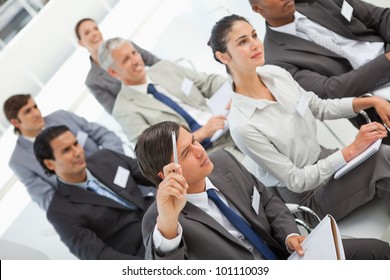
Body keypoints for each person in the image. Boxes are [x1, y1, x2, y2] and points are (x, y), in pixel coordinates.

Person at [208, 14, 390, 223]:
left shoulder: (275, 73)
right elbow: (296, 180)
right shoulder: (242, 126)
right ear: (223, 57)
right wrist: (351, 150)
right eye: (242, 42)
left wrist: (371, 102)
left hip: (324, 160)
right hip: (309, 196)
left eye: (254, 35)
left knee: (381, 157)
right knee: (382, 158)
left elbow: (318, 107)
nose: (255, 45)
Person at [135, 121, 390, 260]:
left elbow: (268, 201)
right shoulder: (161, 222)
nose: (200, 150)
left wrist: (289, 235)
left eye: (194, 141)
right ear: (167, 173)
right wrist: (168, 222)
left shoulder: (223, 161)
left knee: (376, 252)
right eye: (186, 153)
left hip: (290, 256)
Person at [248, 0, 390, 143]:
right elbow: (329, 92)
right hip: (374, 98)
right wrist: (386, 62)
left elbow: (381, 17)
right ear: (258, 8)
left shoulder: (319, 2)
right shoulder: (276, 61)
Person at [98, 37, 242, 160]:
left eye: (134, 53)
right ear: (113, 72)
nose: (135, 60)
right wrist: (203, 133)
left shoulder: (165, 68)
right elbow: (155, 152)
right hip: (207, 153)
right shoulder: (124, 109)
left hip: (231, 125)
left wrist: (234, 91)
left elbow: (209, 82)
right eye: (126, 60)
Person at [33, 125, 155, 259]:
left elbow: (153, 174)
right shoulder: (60, 212)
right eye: (66, 150)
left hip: (166, 217)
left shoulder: (106, 157)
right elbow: (99, 257)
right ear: (50, 164)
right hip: (143, 254)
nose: (78, 152)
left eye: (75, 144)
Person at [4, 94, 124, 210]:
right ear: (15, 122)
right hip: (91, 202)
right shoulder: (19, 161)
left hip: (116, 175)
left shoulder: (62, 116)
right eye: (27, 111)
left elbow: (106, 136)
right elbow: (46, 198)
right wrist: (84, 206)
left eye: (35, 107)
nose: (36, 113)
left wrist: (112, 163)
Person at [75, 18, 160, 113]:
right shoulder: (93, 81)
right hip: (142, 112)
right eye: (87, 33)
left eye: (96, 28)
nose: (94, 33)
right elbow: (115, 110)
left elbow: (158, 63)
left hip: (159, 90)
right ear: (81, 42)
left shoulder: (126, 46)